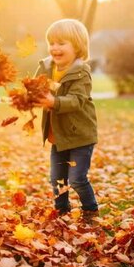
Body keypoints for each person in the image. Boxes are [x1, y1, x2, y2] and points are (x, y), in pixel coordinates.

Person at [34, 19, 99, 223]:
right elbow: (35, 87)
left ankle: (91, 210)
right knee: (57, 178)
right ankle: (62, 210)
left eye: (61, 43)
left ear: (77, 46)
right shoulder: (46, 67)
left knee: (77, 179)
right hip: (58, 135)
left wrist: (54, 101)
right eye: (52, 43)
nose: (55, 48)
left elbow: (77, 100)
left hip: (80, 135)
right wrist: (28, 94)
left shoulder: (81, 72)